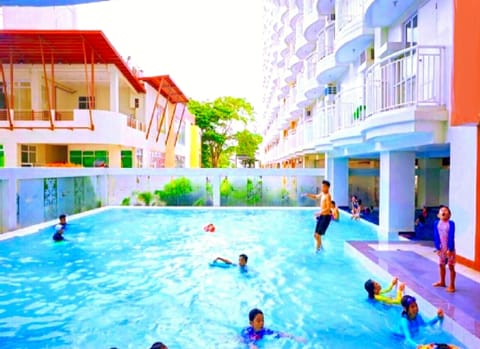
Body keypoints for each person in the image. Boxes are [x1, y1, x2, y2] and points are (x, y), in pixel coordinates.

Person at [240, 308, 305, 349]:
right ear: (251, 323)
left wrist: (295, 338)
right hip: (245, 342)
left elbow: (278, 334)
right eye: (258, 321)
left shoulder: (264, 330)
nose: (262, 323)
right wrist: (252, 345)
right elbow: (249, 342)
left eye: (263, 320)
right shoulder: (246, 331)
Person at [303, 180, 333, 252]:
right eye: (322, 186)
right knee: (315, 235)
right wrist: (308, 194)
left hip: (326, 217)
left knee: (318, 235)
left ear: (327, 187)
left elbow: (328, 208)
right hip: (322, 216)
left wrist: (320, 213)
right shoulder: (322, 193)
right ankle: (321, 247)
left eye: (323, 186)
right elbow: (316, 197)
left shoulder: (328, 196)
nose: (322, 187)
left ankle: (317, 251)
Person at [433, 206, 456, 292]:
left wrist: (450, 249)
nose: (443, 211)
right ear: (438, 215)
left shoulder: (451, 223)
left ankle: (452, 285)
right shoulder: (436, 223)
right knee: (441, 264)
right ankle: (442, 281)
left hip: (450, 248)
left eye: (446, 211)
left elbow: (451, 236)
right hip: (441, 248)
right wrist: (437, 248)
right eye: (441, 211)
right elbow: (436, 235)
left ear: (449, 215)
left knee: (451, 266)